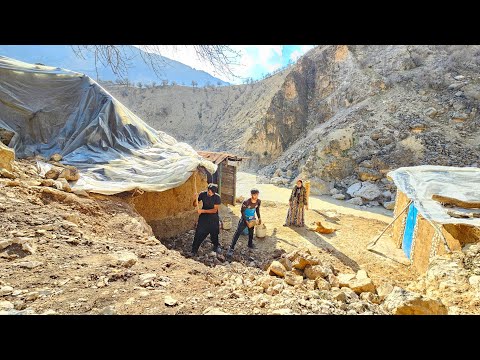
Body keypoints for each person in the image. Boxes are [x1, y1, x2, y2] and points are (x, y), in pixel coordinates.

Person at [226, 188, 261, 259]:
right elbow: (242, 212)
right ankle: (231, 247)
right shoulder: (246, 202)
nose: (256, 196)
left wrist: (259, 218)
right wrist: (246, 221)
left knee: (251, 232)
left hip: (252, 219)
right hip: (244, 219)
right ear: (251, 195)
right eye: (254, 195)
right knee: (238, 232)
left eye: (257, 194)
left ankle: (250, 244)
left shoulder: (258, 201)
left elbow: (257, 209)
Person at [190, 183, 222, 257]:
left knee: (214, 234)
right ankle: (194, 250)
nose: (211, 194)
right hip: (204, 218)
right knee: (198, 233)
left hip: (213, 218)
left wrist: (202, 211)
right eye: (210, 192)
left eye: (213, 193)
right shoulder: (202, 194)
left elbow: (214, 210)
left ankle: (216, 246)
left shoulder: (217, 197)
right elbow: (194, 204)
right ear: (208, 190)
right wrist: (195, 198)